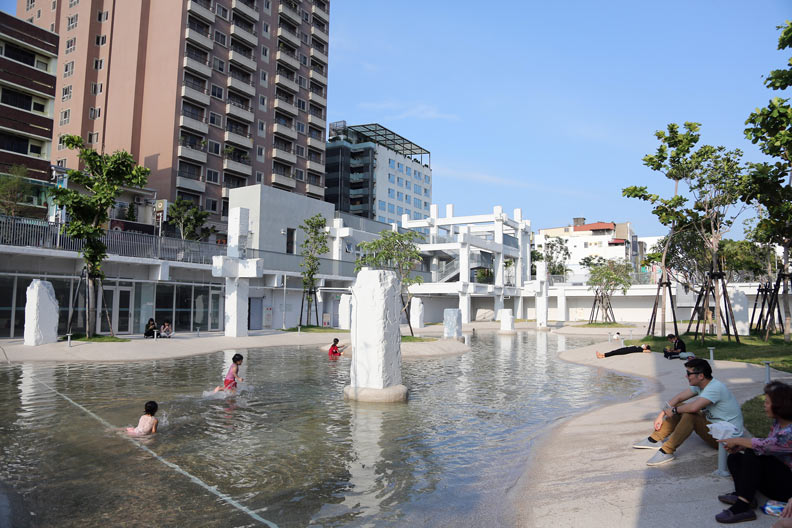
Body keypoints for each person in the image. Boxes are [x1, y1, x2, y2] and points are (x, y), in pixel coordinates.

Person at [632, 358, 744, 466]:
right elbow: (679, 399)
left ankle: (667, 451)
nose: (686, 376)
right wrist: (662, 414)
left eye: (688, 373)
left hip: (727, 439)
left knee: (690, 415)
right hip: (716, 428)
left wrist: (674, 410)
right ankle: (654, 439)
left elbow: (694, 408)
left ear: (701, 376)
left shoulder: (715, 388)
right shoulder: (702, 385)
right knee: (680, 407)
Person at [714, 381, 792, 523]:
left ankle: (743, 506)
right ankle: (743, 495)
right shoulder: (779, 422)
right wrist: (741, 446)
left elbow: (763, 446)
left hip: (788, 489)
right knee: (735, 457)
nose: (764, 405)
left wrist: (737, 440)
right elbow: (770, 445)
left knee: (753, 452)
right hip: (779, 476)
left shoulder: (789, 433)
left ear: (780, 406)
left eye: (767, 402)